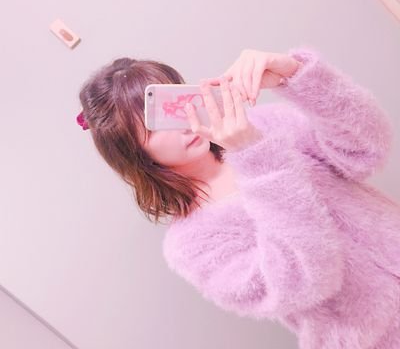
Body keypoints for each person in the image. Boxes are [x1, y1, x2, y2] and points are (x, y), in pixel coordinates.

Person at [77, 46, 400, 349]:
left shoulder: (266, 125)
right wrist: (256, 156)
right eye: (157, 126)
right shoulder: (192, 244)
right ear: (135, 153)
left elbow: (367, 152)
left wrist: (296, 75)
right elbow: (307, 281)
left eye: (176, 104)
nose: (184, 125)